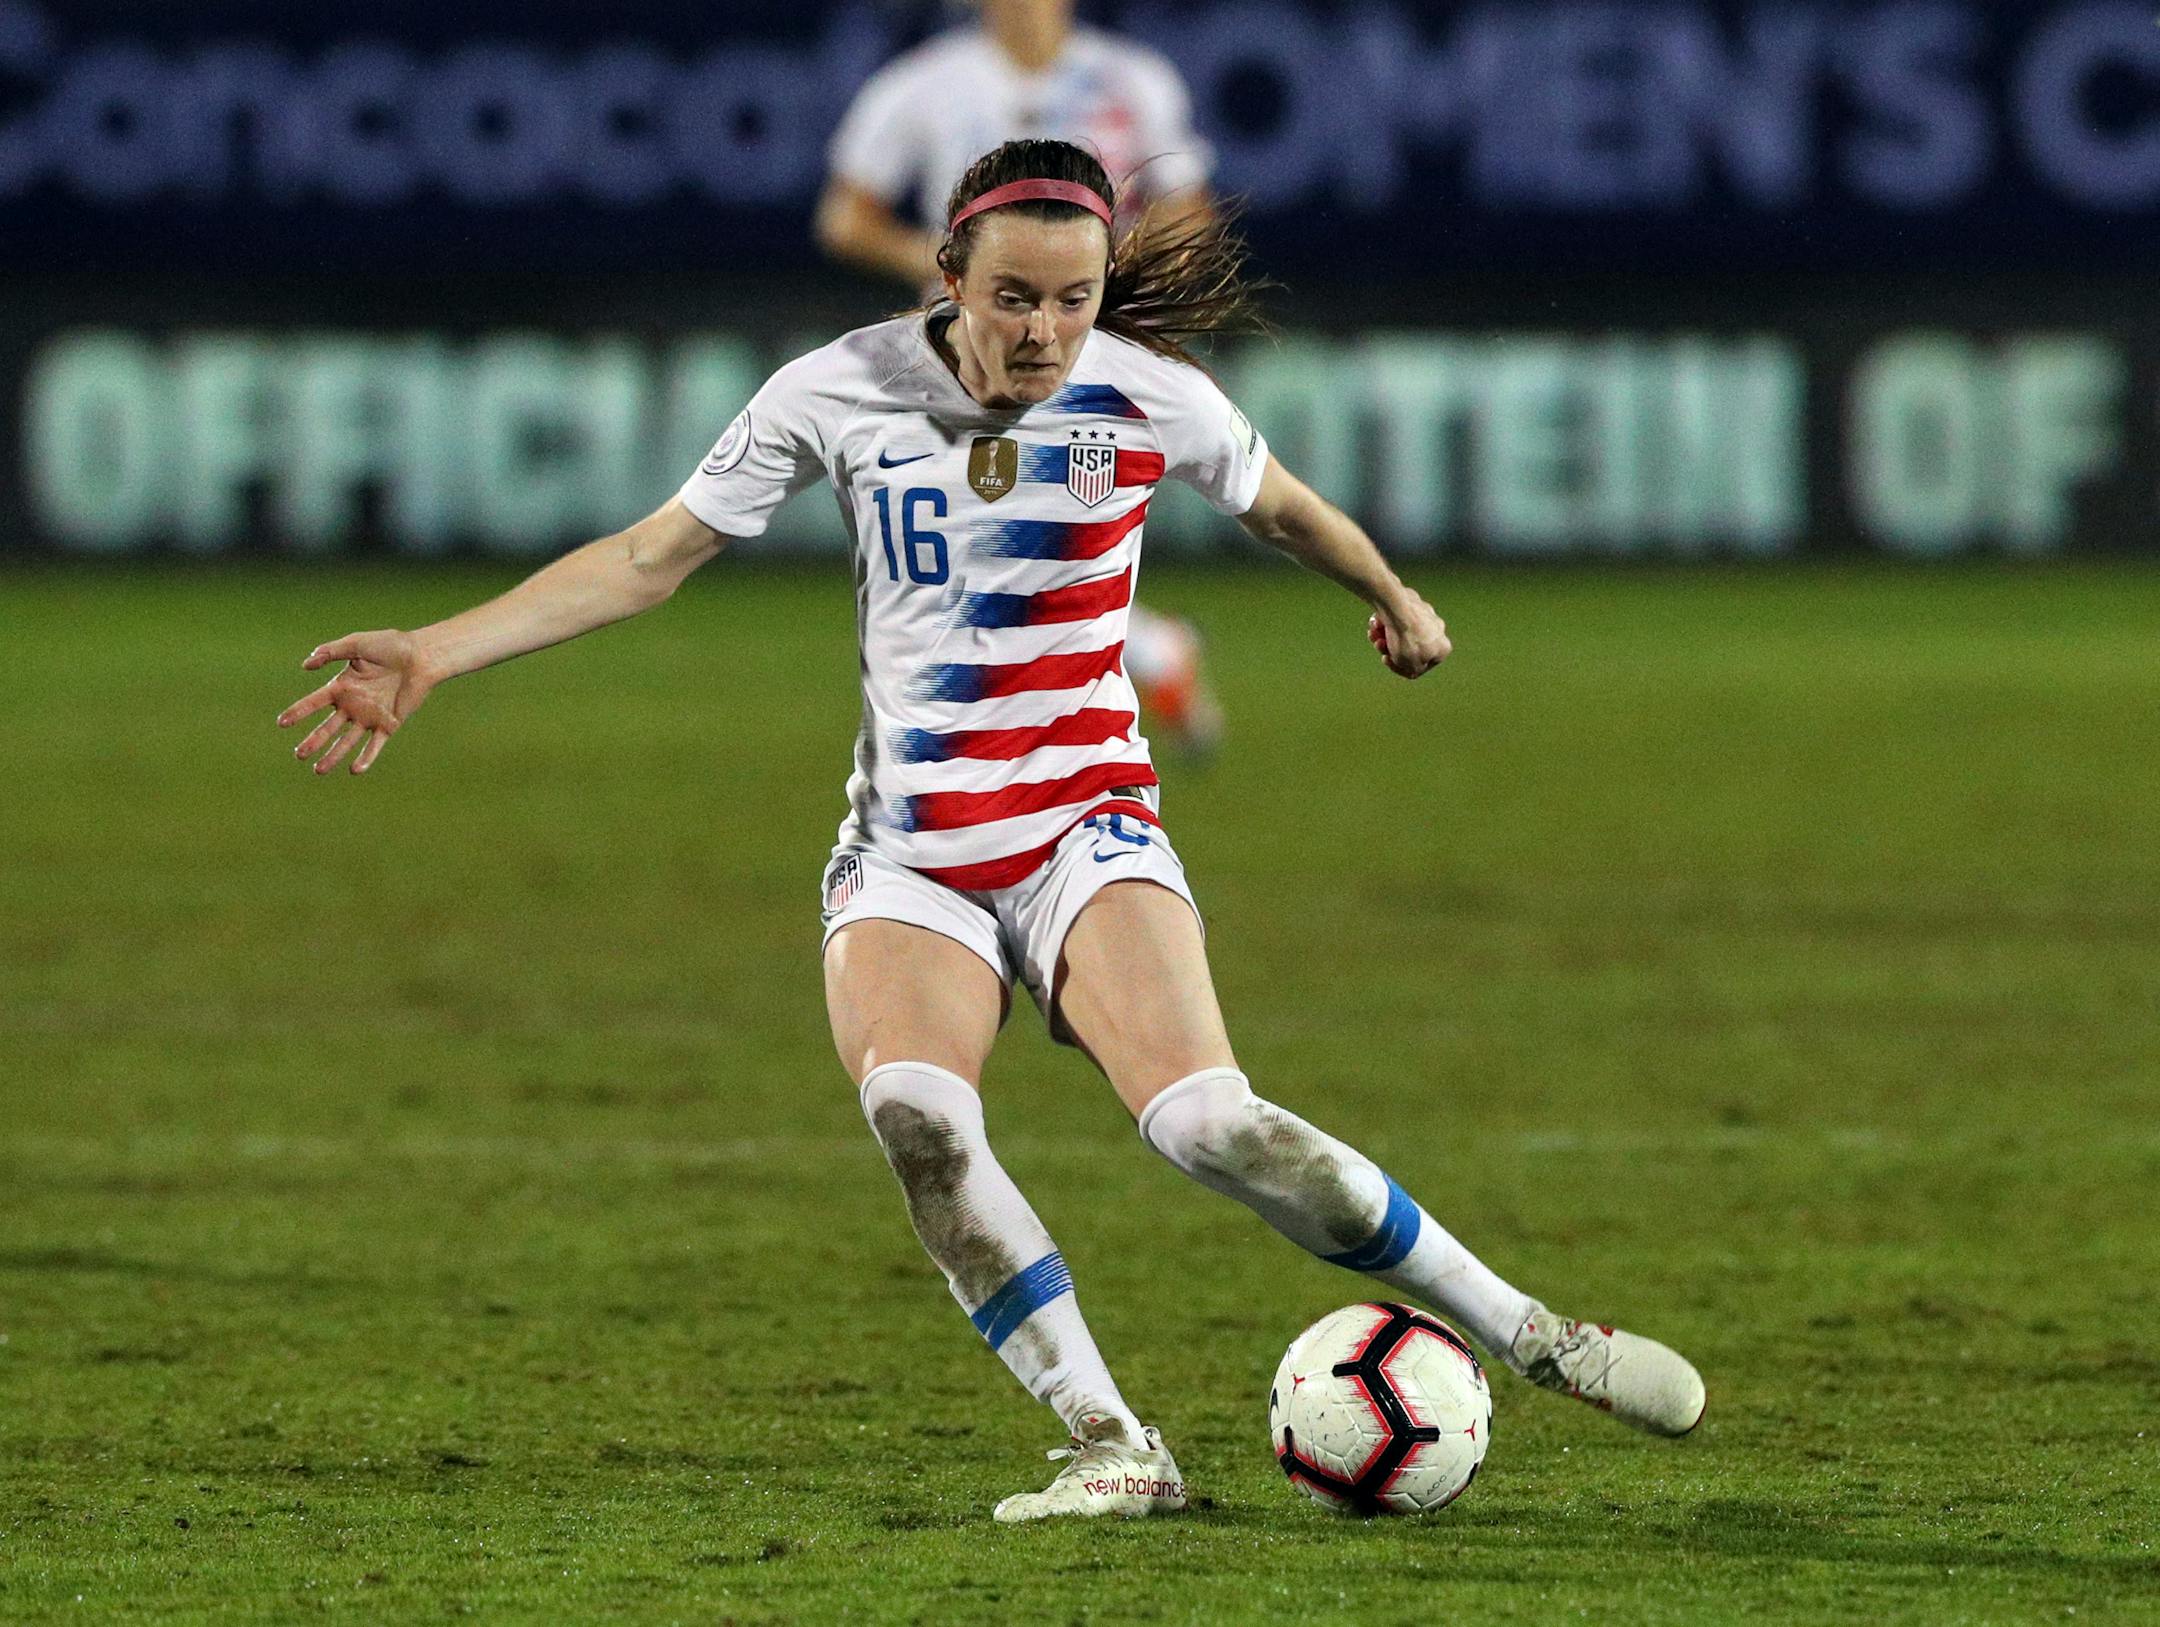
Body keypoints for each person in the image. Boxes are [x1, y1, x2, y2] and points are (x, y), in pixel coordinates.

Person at [278, 138, 1705, 1524]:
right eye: (1013, 297)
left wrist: (1391, 593)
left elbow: (1282, 507)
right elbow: (651, 558)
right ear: (950, 272)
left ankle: (1532, 1330)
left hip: (1086, 826)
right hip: (912, 855)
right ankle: (1111, 1437)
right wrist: (438, 653)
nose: (1043, 330)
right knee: (920, 1122)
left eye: (1073, 299)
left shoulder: (1148, 396)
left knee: (1213, 1119)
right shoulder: (836, 390)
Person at [818, 0, 1225, 757]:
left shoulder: (1133, 80)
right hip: (978, 346)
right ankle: (1145, 660)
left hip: (1093, 342)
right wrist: (940, 262)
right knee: (996, 540)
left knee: (997, 540)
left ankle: (1064, 709)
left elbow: (1191, 212)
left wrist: (1103, 274)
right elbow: (845, 216)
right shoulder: (926, 84)